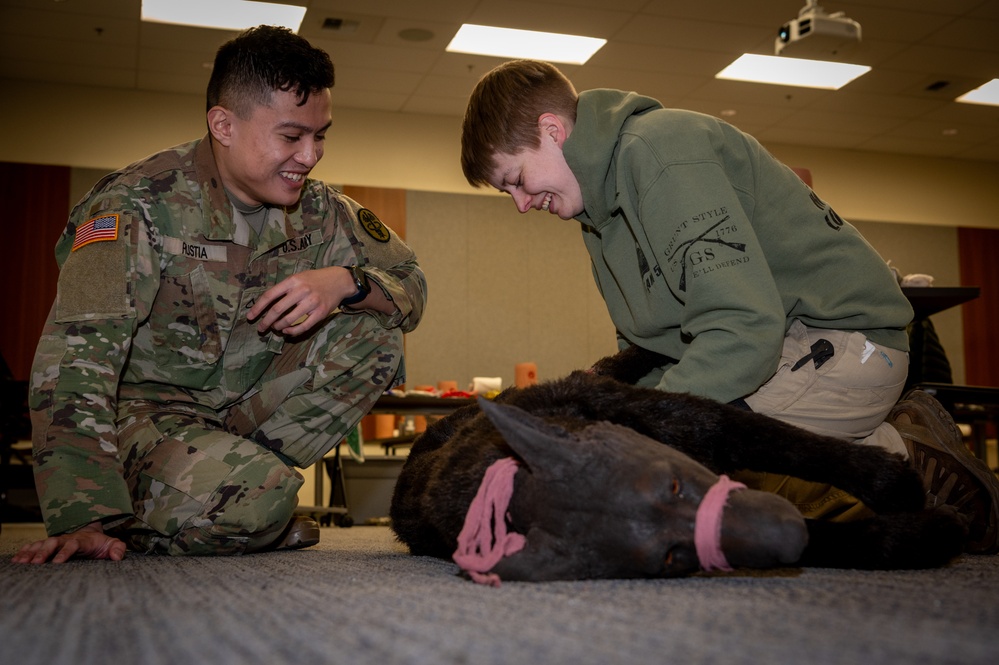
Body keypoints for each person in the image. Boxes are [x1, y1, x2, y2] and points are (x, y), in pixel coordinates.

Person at [459, 59, 999, 554]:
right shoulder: (598, 210)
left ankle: (909, 460)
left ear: (553, 131)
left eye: (517, 181)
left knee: (691, 482)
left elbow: (743, 328)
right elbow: (648, 346)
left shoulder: (659, 153)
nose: (522, 205)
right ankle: (877, 445)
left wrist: (648, 431)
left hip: (845, 346)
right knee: (634, 455)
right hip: (775, 352)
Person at [13, 26, 426, 564]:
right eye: (291, 136)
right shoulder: (135, 205)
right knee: (257, 501)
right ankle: (192, 503)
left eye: (320, 135)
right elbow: (76, 355)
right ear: (224, 125)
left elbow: (412, 285)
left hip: (238, 416)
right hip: (144, 419)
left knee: (375, 331)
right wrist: (84, 514)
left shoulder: (322, 212)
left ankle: (238, 485)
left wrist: (348, 283)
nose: (311, 155)